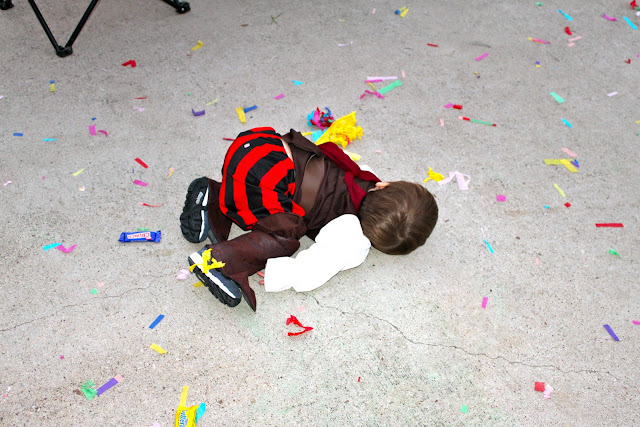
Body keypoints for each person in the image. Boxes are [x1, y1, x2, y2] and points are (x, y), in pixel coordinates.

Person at [179, 127, 438, 311]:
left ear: (384, 186)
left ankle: (212, 199)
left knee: (262, 196)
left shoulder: (365, 175)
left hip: (259, 146)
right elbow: (314, 268)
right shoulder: (351, 236)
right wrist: (283, 272)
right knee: (286, 235)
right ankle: (217, 262)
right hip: (263, 182)